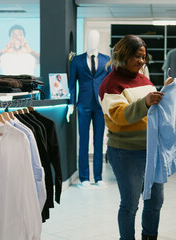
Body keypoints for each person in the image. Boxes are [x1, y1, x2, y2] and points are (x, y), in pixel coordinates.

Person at [98, 35, 165, 240]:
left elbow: (155, 112)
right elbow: (120, 115)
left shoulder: (144, 80)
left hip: (151, 149)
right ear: (123, 54)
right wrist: (145, 102)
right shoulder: (110, 84)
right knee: (130, 204)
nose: (141, 61)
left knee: (155, 202)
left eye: (144, 57)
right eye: (137, 56)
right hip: (125, 152)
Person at [68, 30, 111, 189]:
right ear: (86, 40)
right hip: (83, 105)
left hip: (100, 106)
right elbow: (72, 84)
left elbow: (110, 84)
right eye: (90, 38)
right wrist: (71, 104)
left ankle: (99, 177)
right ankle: (84, 178)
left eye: (95, 38)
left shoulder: (107, 60)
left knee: (100, 141)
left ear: (98, 40)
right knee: (83, 141)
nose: (92, 41)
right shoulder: (77, 60)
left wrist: (110, 103)